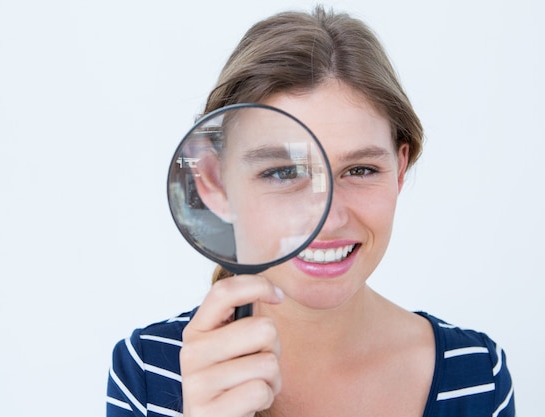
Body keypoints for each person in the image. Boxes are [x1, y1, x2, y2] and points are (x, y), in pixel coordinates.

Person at [106, 5, 515, 417]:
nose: (330, 217)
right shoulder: (148, 372)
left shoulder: (479, 374)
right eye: (283, 172)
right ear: (215, 182)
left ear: (399, 169)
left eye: (360, 169)